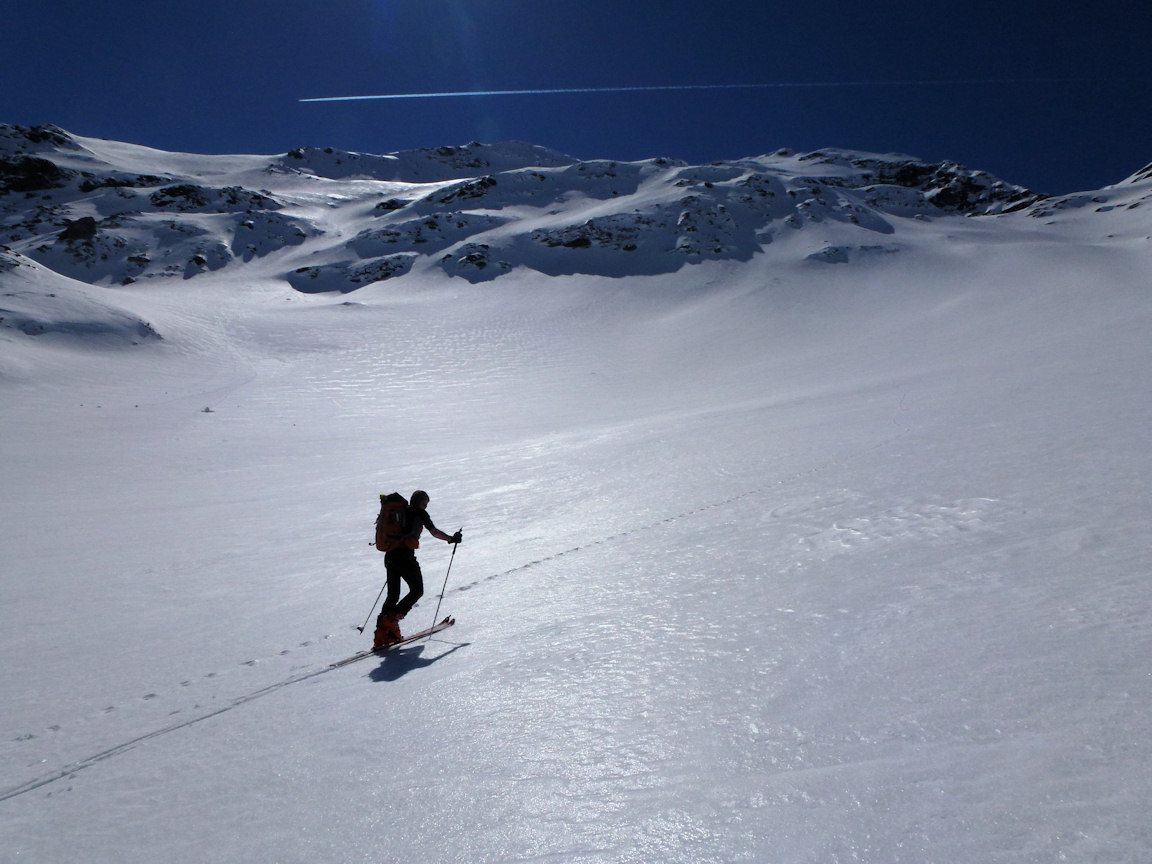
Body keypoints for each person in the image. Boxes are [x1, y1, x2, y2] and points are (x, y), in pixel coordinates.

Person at [374, 490, 462, 647]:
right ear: (422, 503)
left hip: (390, 556)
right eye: (425, 504)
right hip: (405, 557)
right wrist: (451, 539)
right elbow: (434, 532)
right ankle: (392, 620)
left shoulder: (401, 512)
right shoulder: (420, 513)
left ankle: (382, 634)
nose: (426, 507)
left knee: (392, 595)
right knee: (417, 590)